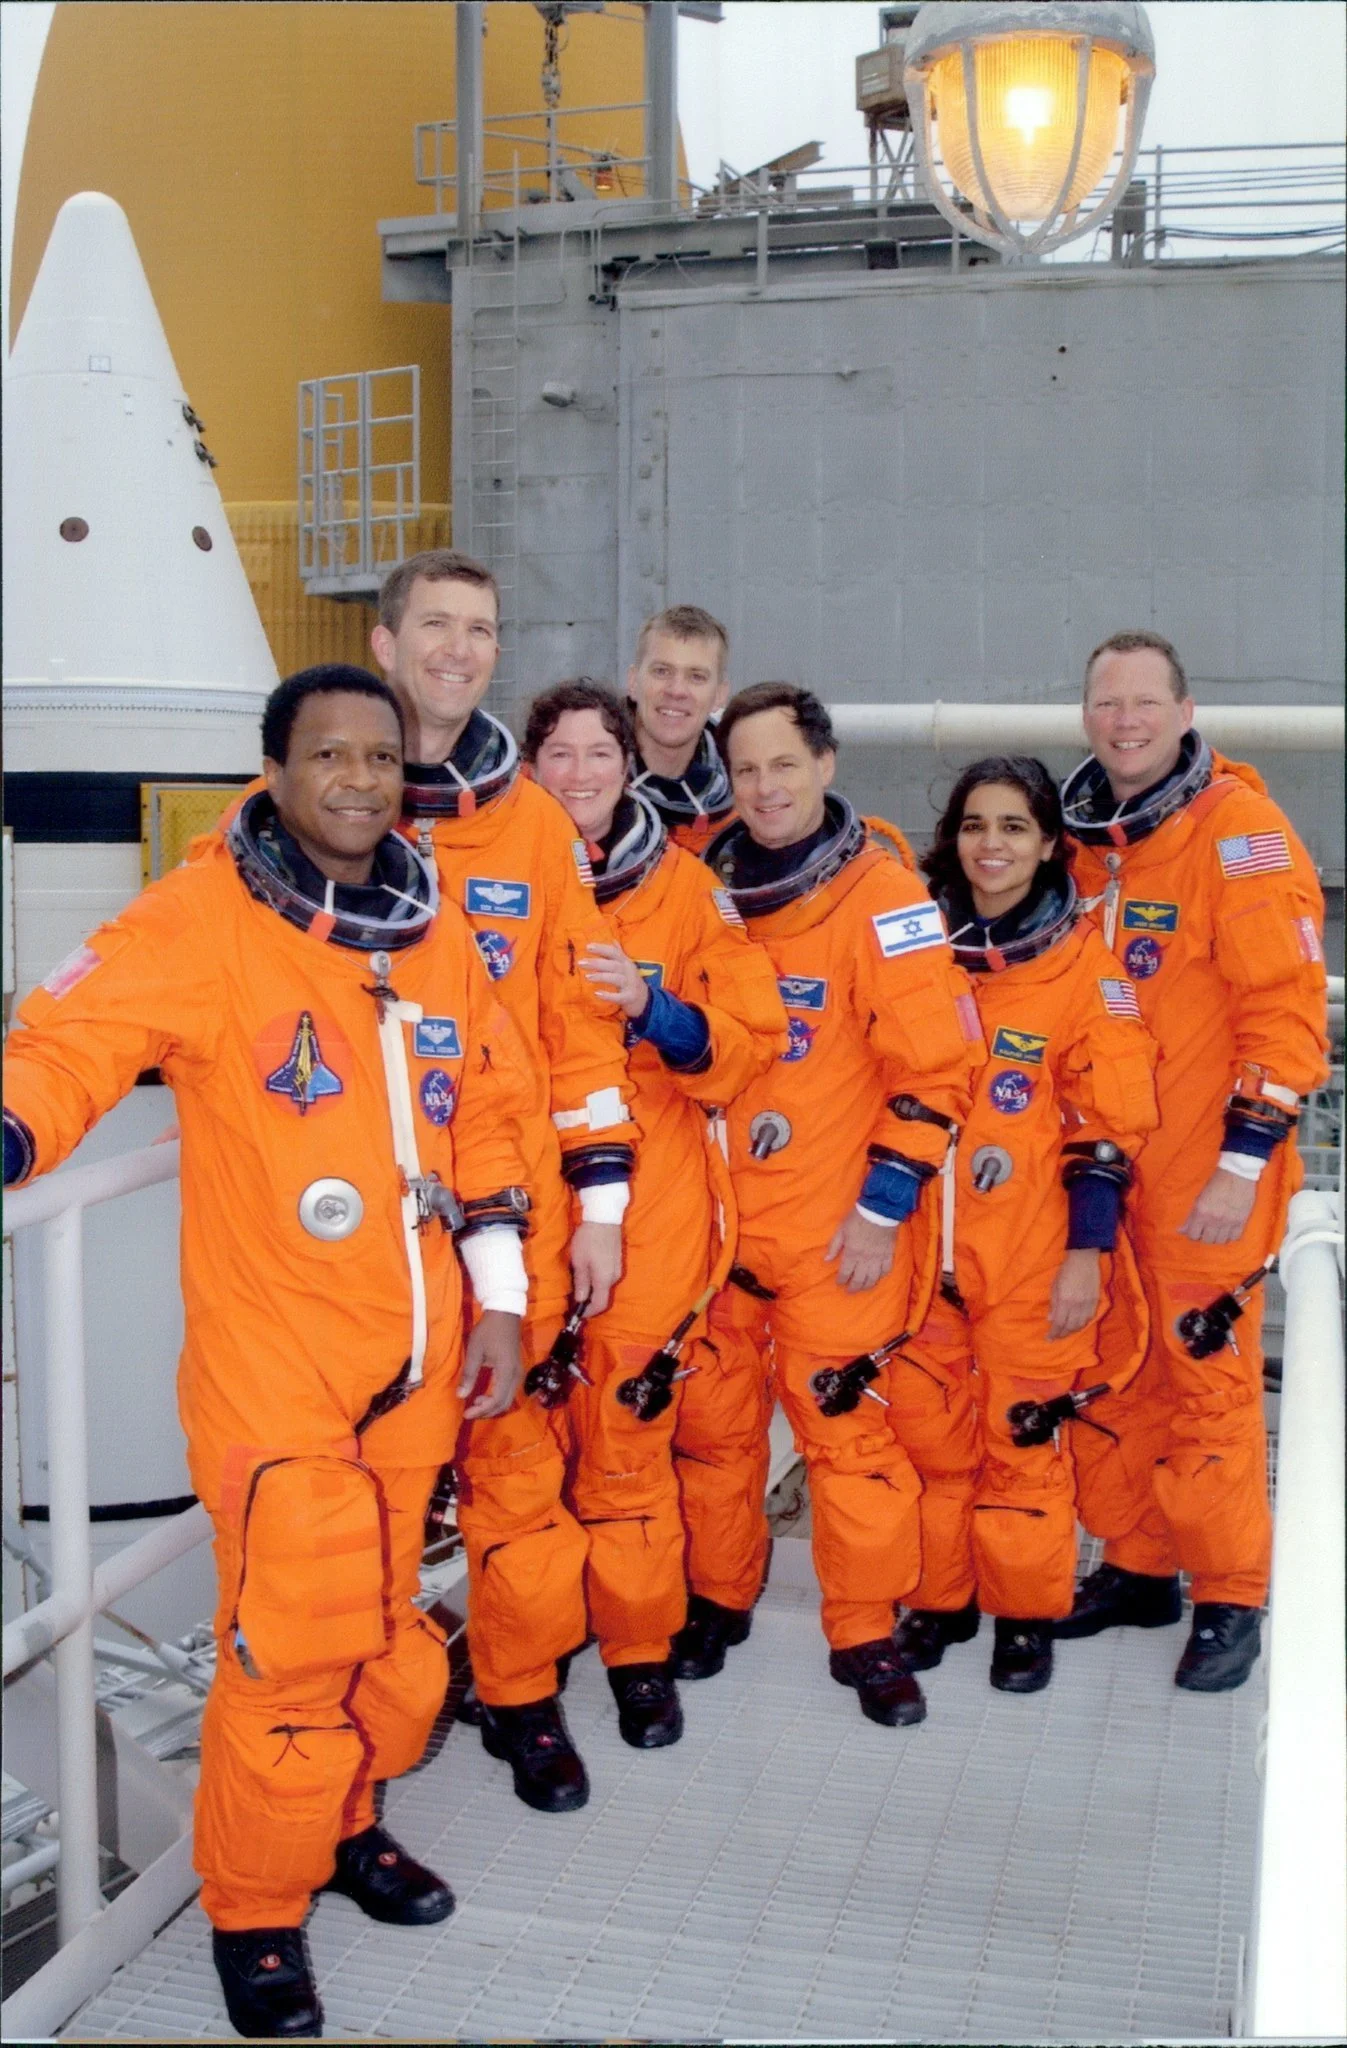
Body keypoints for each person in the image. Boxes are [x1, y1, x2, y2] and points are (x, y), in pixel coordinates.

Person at [3, 668, 534, 2040]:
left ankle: (345, 1827)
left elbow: (487, 1101)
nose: (357, 778)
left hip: (414, 1351)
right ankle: (254, 1911)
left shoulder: (429, 933)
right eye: (327, 756)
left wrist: (498, 1290)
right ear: (276, 772)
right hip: (274, 1357)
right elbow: (67, 1040)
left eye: (378, 755)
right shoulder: (201, 918)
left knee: (383, 1637)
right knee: (289, 1636)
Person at [371, 550, 640, 1812]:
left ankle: (523, 1697)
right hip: (357, 1216)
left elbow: (582, 1023)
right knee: (357, 1500)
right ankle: (354, 1763)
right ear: (385, 643)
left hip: (508, 1206)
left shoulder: (532, 824)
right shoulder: (322, 800)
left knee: (518, 1478)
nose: (458, 648)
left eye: (480, 628)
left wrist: (601, 1205)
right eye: (436, 624)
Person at [691, 684, 981, 1726]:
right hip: (719, 1231)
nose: (764, 788)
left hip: (834, 1230)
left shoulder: (883, 895)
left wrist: (883, 1207)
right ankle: (718, 1597)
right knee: (716, 1434)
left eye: (783, 764)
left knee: (848, 1439)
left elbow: (938, 1071)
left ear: (824, 763)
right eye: (747, 769)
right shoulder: (705, 891)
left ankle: (863, 1628)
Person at [1056, 630, 1329, 1692]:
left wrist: (1242, 1162)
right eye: (1106, 702)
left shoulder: (1240, 832)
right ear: (1088, 715)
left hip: (1205, 1174)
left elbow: (1288, 1013)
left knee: (1207, 1382)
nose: (1123, 719)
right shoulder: (1091, 846)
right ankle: (1139, 1564)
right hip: (1108, 1168)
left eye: (1143, 702)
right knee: (1119, 1369)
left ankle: (1230, 1593)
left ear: (1185, 710)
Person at [523, 680, 787, 1745]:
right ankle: (524, 1667)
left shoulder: (686, 892)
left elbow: (749, 1039)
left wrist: (651, 1004)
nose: (580, 772)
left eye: (599, 753)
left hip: (652, 1208)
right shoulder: (482, 878)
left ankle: (638, 1652)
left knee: (628, 1440)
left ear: (631, 766)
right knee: (519, 1455)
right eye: (559, 752)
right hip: (522, 1199)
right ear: (529, 766)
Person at [886, 758, 1158, 1694]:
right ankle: (940, 1598)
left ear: (1048, 845)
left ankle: (1025, 1614)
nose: (989, 846)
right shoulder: (913, 954)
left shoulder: (1087, 970)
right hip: (922, 1254)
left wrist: (1085, 1254)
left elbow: (1105, 1130)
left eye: (1011, 827)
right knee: (930, 1442)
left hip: (1033, 1256)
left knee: (1020, 1441)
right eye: (973, 825)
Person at [625, 604, 736, 854]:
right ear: (633, 682)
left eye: (696, 677)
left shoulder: (748, 805)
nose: (676, 690)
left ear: (720, 694)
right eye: (662, 671)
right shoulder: (575, 785)